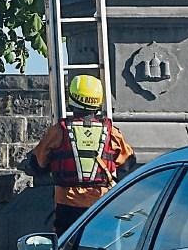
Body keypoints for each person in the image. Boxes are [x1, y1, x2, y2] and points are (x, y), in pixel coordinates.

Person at [23, 75, 136, 236]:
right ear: (98, 101)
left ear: (72, 99)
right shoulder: (112, 132)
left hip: (67, 204)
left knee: (64, 247)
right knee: (103, 245)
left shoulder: (59, 131)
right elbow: (128, 163)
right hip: (101, 203)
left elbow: (37, 164)